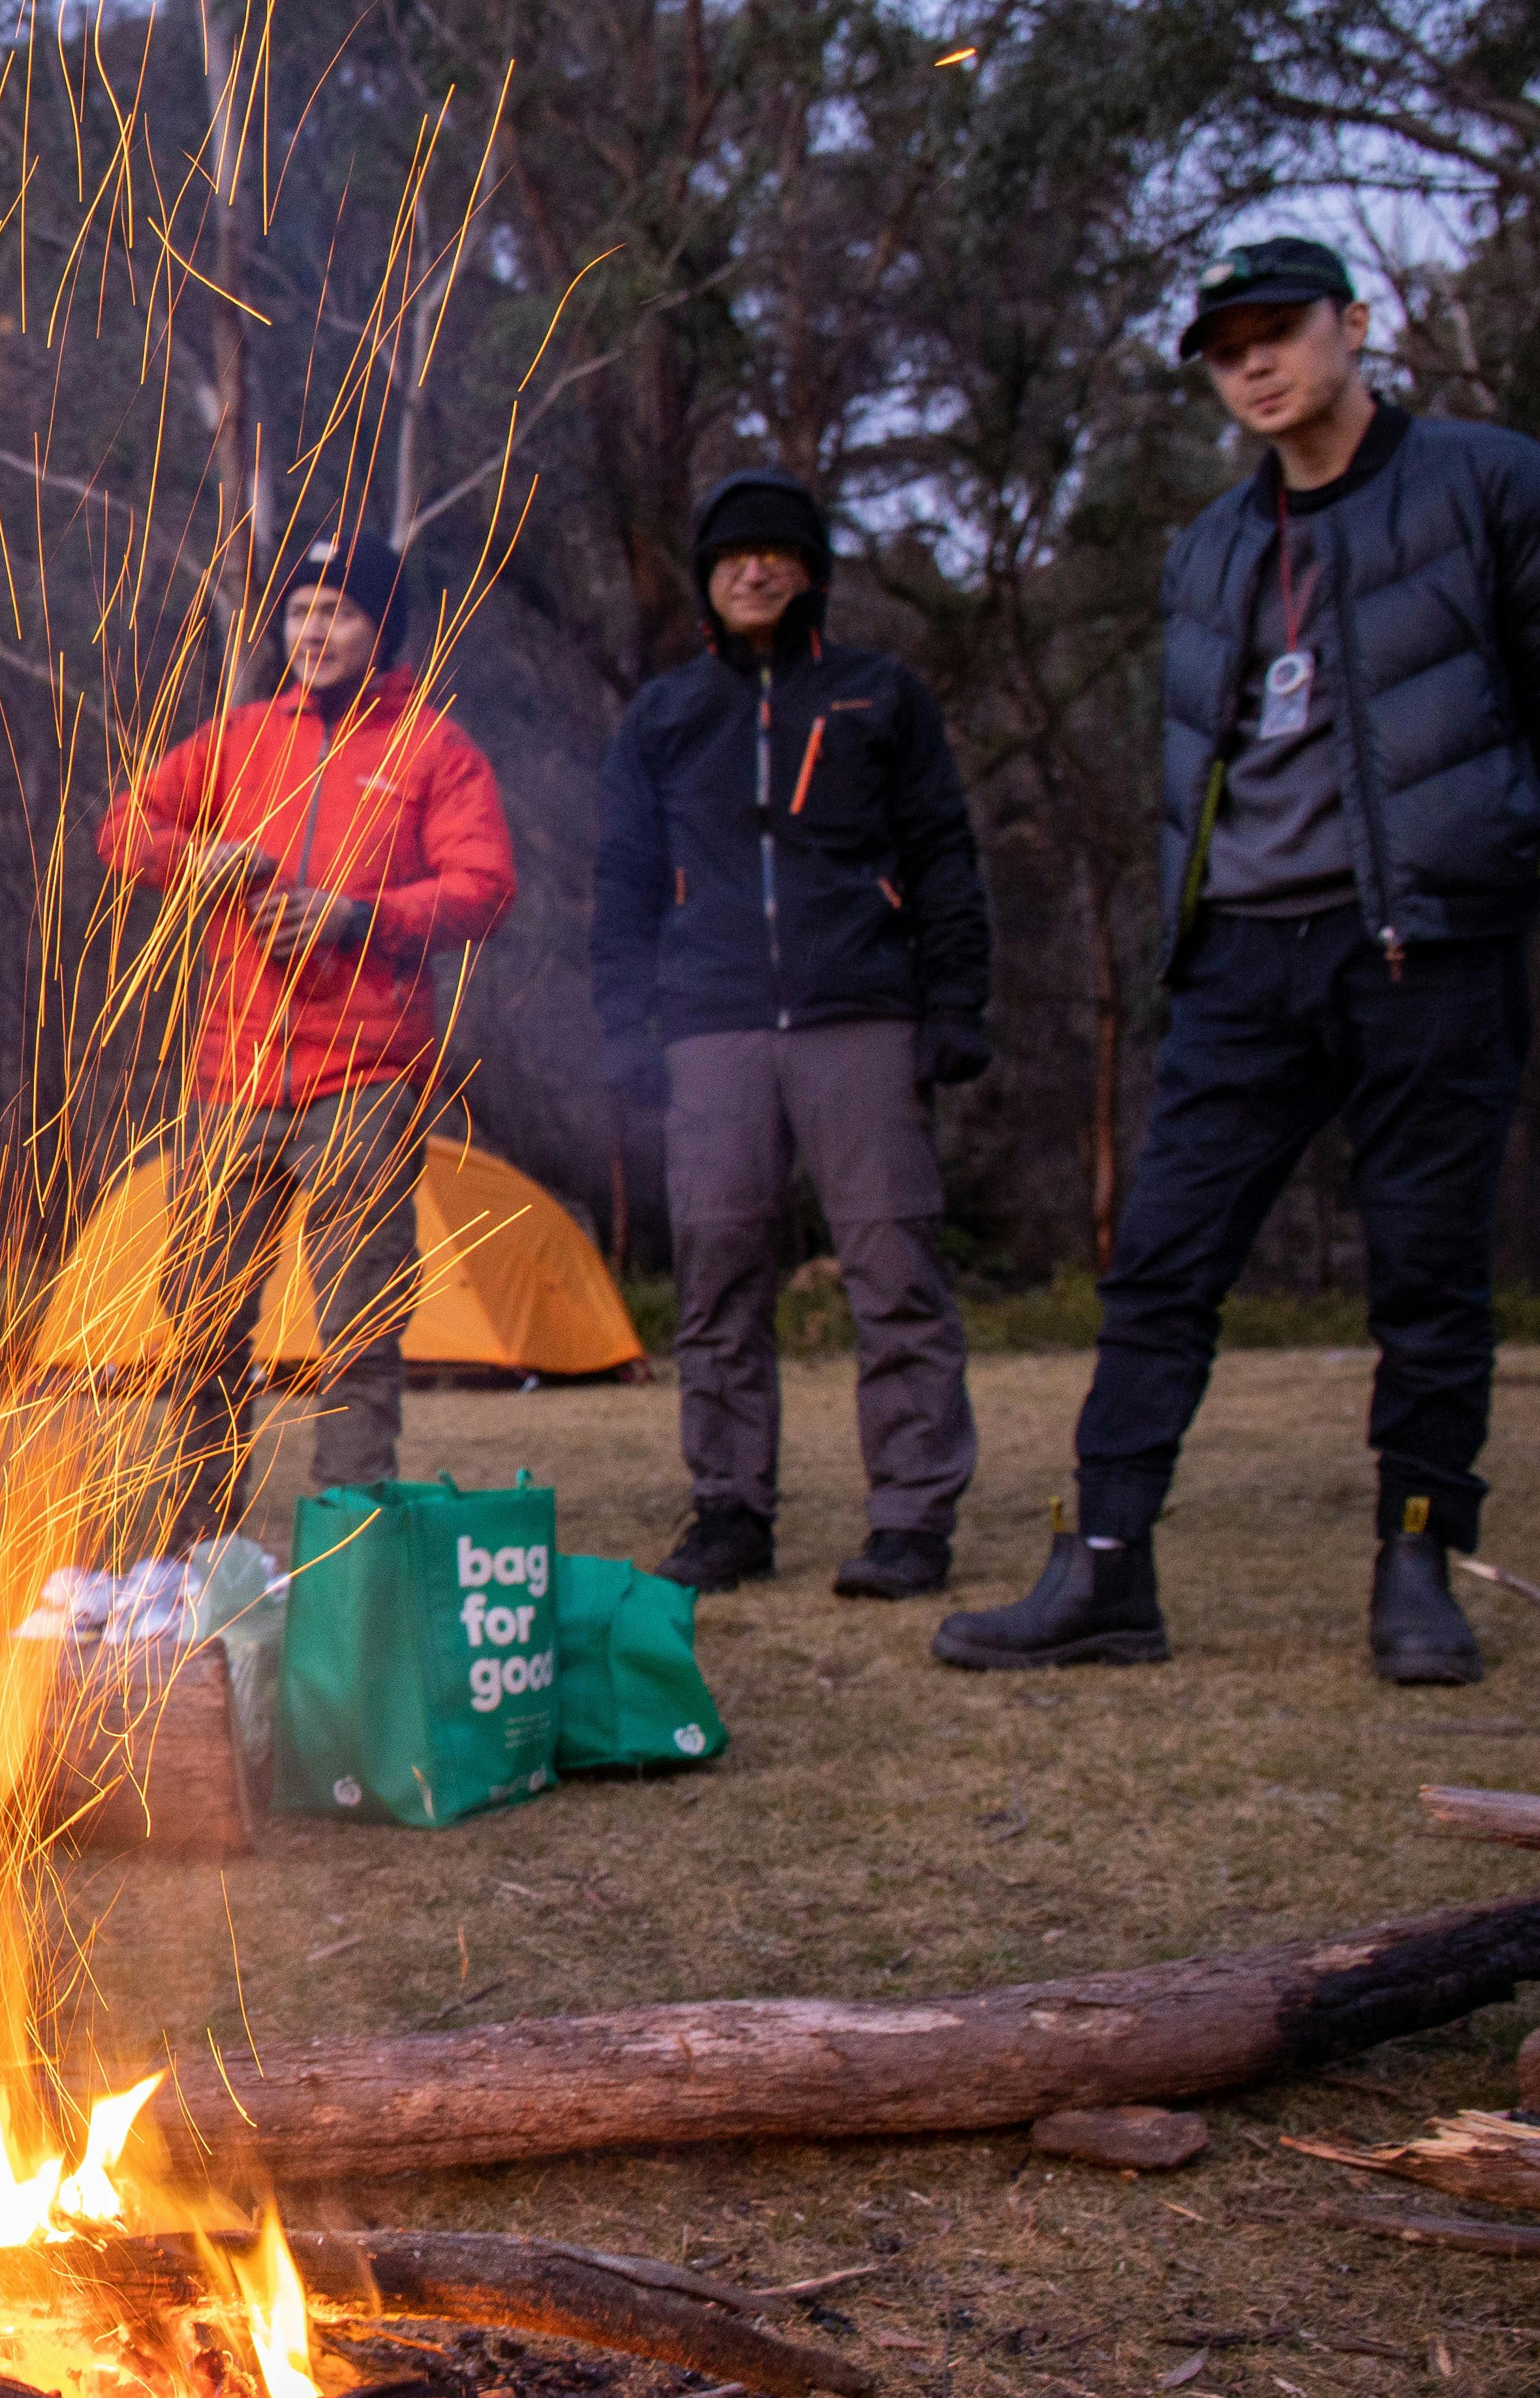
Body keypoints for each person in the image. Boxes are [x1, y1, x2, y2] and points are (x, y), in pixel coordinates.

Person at [938, 241, 1540, 1684]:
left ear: (1351, 326)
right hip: (1239, 963)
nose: (1253, 363)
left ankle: (1414, 1565)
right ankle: (1101, 1571)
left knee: (1426, 1275)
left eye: (1278, 331)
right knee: (1158, 1268)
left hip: (1425, 947)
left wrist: (1502, 851)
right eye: (1225, 348)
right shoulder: (1208, 547)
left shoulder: (1486, 483)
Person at [592, 471, 994, 1599]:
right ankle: (728, 1513)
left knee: (893, 1267)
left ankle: (911, 1519)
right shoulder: (665, 716)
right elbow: (618, 885)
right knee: (718, 1279)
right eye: (731, 558)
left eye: (775, 553)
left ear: (809, 570)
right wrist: (626, 1030)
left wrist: (955, 1002)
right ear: (706, 582)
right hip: (710, 1030)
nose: (753, 570)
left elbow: (943, 855)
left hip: (859, 1014)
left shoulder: (879, 698)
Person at [95, 533, 516, 1542]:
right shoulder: (238, 737)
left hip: (363, 1081)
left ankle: (345, 1554)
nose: (314, 630)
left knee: (358, 1331)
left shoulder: (430, 748)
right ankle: (192, 1550)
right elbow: (123, 829)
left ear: (382, 630)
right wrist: (193, 858)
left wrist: (352, 915)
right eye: (299, 611)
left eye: (339, 612)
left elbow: (485, 891)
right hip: (231, 1081)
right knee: (199, 1323)